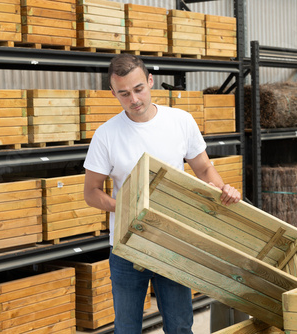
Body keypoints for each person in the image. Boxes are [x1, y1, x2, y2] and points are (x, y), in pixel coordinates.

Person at [83, 53, 241, 334]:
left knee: (180, 326)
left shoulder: (180, 121)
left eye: (139, 89)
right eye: (124, 93)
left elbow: (204, 169)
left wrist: (223, 190)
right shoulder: (106, 135)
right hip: (127, 244)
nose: (134, 99)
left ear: (150, 81)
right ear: (113, 93)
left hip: (174, 240)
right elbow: (91, 193)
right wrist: (128, 207)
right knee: (127, 328)